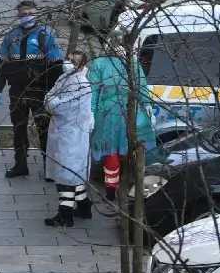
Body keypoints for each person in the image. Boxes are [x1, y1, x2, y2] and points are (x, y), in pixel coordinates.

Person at [0, 0, 64, 179]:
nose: (27, 17)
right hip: (17, 91)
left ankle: (49, 167)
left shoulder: (45, 35)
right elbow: (2, 63)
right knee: (19, 129)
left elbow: (56, 65)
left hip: (40, 92)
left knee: (44, 129)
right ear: (18, 16)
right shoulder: (11, 36)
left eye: (31, 13)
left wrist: (55, 90)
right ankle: (20, 164)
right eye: (24, 14)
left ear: (37, 14)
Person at [88, 30, 157, 202]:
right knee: (125, 150)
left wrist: (147, 105)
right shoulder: (128, 62)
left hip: (115, 113)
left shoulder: (104, 63)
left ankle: (115, 188)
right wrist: (147, 105)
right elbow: (141, 88)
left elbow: (94, 92)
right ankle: (121, 187)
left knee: (118, 150)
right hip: (124, 112)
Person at [43, 51, 94, 227]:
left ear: (80, 65)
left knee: (67, 174)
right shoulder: (64, 78)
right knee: (72, 173)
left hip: (72, 136)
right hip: (62, 132)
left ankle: (65, 215)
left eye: (72, 60)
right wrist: (52, 101)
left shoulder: (82, 85)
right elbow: (49, 96)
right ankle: (84, 205)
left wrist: (53, 102)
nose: (68, 62)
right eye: (68, 59)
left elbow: (60, 106)